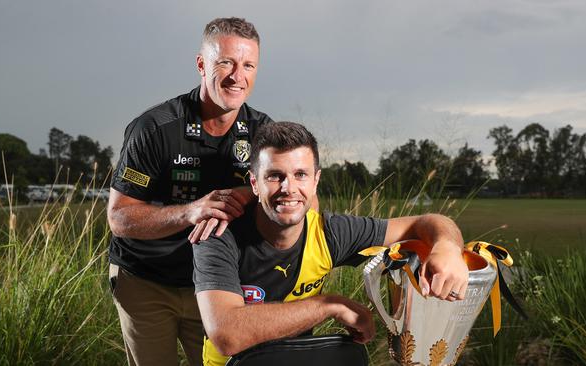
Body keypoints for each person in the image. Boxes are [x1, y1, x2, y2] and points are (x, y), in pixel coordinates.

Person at [192, 122, 470, 366]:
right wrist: (328, 304)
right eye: (275, 176)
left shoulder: (330, 232)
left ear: (316, 181)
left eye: (300, 174)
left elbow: (426, 222)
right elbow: (227, 335)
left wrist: (447, 246)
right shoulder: (218, 234)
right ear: (254, 183)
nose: (289, 188)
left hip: (297, 360)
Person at [107, 17, 272, 366]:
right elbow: (119, 218)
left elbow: (304, 199)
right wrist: (191, 211)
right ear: (201, 64)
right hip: (147, 280)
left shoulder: (264, 133)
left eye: (248, 65)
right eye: (225, 62)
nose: (236, 76)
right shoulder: (154, 128)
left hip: (218, 285)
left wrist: (254, 195)